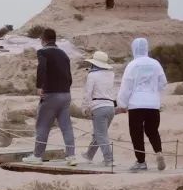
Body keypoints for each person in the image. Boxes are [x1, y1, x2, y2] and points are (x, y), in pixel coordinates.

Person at [22, 27, 77, 165]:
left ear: (43, 39)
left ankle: (37, 156)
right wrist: (66, 88)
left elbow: (42, 68)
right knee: (66, 127)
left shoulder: (43, 52)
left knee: (42, 126)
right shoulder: (64, 54)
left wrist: (39, 86)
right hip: (65, 94)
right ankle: (71, 156)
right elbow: (69, 76)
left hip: (51, 94)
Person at [116, 37, 168, 172]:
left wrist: (122, 103)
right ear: (146, 48)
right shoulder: (155, 64)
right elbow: (163, 83)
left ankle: (141, 162)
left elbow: (126, 86)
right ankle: (159, 152)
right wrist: (154, 91)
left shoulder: (132, 65)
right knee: (152, 131)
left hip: (136, 104)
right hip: (153, 104)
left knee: (136, 133)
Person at [81, 50, 116, 167]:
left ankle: (109, 159)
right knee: (99, 133)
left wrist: (85, 107)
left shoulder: (92, 75)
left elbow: (88, 93)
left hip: (98, 107)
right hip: (111, 107)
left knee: (101, 135)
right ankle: (89, 155)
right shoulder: (111, 74)